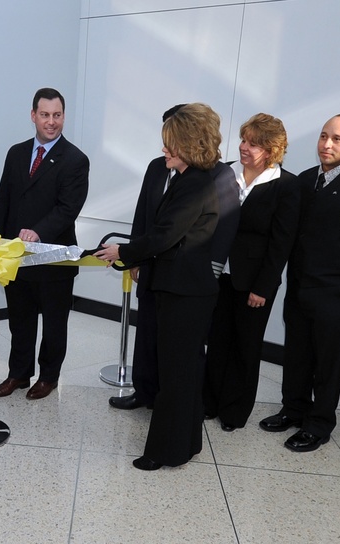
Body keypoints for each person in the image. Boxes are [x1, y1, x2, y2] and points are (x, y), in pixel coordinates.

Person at [96, 103, 228, 470]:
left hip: (185, 292)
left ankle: (165, 452)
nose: (164, 150)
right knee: (182, 373)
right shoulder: (193, 179)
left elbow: (164, 235)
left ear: (187, 143)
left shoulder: (196, 184)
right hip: (183, 288)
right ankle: (186, 444)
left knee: (176, 377)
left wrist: (122, 250)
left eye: (170, 143)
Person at [259, 114, 340, 453]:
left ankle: (318, 425)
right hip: (300, 286)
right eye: (323, 136)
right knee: (297, 353)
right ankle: (293, 410)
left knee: (328, 362)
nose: (327, 144)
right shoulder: (304, 180)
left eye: (337, 138)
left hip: (336, 292)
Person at [109, 104, 240, 411]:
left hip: (188, 276)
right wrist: (136, 259)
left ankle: (172, 405)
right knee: (149, 335)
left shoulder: (217, 175)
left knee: (179, 350)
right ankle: (145, 391)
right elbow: (145, 216)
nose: (166, 145)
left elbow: (225, 227)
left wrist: (212, 271)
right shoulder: (158, 166)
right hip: (153, 268)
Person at [0, 88, 90, 400]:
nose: (51, 122)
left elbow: (67, 208)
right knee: (19, 321)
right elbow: (3, 200)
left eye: (57, 115)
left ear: (64, 116)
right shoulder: (16, 153)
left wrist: (37, 231)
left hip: (54, 260)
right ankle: (18, 374)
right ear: (33, 115)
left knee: (54, 325)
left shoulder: (75, 160)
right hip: (16, 258)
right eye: (44, 115)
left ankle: (49, 376)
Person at [203, 113, 299, 430]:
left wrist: (264, 287)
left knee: (245, 347)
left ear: (271, 150)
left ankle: (234, 411)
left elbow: (280, 244)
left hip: (254, 282)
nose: (244, 147)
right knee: (217, 340)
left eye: (254, 144)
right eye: (244, 140)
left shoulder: (285, 185)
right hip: (218, 275)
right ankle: (208, 401)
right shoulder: (225, 173)